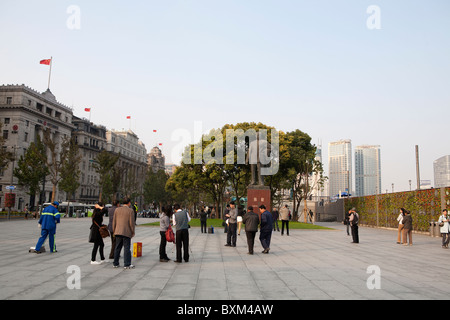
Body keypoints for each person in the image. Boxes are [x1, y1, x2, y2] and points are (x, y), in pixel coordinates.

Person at [112, 197, 136, 269]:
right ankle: (127, 264)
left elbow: (114, 221)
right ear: (129, 203)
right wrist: (133, 231)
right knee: (126, 248)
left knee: (117, 247)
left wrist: (114, 230)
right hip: (126, 231)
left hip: (118, 231)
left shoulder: (117, 209)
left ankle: (115, 263)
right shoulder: (130, 211)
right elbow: (132, 222)